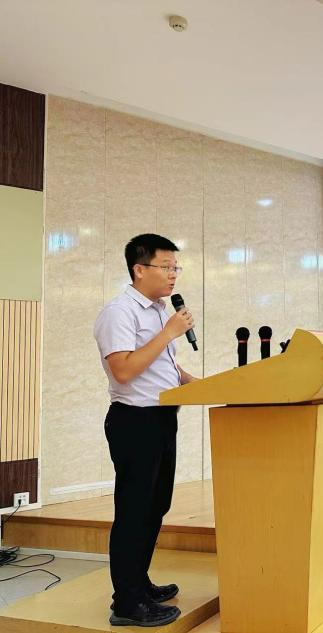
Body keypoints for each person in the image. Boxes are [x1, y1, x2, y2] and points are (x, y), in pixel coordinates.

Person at [93, 233, 197, 627]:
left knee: (155, 506)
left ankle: (138, 583)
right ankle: (127, 603)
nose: (173, 275)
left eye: (176, 267)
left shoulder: (157, 311)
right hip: (134, 421)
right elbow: (123, 369)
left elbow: (164, 367)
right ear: (139, 269)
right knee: (134, 511)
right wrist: (168, 332)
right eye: (166, 267)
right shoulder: (119, 312)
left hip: (161, 418)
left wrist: (204, 385)